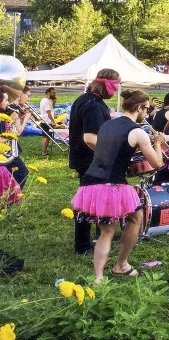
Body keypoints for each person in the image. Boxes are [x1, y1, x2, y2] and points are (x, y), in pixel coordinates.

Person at [71, 90, 164, 283]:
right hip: (112, 184)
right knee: (136, 218)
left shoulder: (106, 125)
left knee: (106, 231)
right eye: (146, 109)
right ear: (139, 108)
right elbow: (157, 164)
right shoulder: (138, 131)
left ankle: (98, 278)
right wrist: (158, 143)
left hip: (90, 181)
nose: (146, 113)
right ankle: (121, 265)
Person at [68, 68, 120, 255]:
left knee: (100, 198)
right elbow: (90, 138)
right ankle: (82, 246)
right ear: (106, 85)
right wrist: (110, 153)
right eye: (116, 85)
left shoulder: (85, 99)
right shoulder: (93, 105)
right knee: (87, 202)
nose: (116, 90)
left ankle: (103, 233)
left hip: (86, 158)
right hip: (90, 160)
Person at [38, 87, 59, 157]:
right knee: (46, 137)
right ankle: (44, 152)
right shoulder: (46, 101)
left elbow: (52, 108)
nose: (55, 94)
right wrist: (53, 122)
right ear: (48, 93)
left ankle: (44, 151)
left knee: (45, 136)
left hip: (44, 120)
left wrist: (54, 102)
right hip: (47, 121)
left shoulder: (45, 100)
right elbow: (49, 113)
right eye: (53, 93)